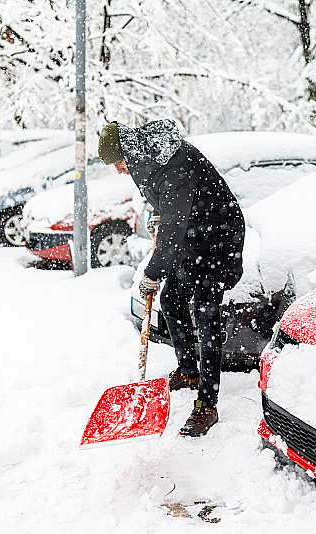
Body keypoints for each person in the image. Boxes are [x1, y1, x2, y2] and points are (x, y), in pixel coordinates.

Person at [98, 119, 245, 437]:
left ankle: (207, 405)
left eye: (119, 163)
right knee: (172, 300)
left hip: (218, 238)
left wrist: (153, 272)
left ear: (129, 152)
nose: (120, 171)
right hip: (195, 235)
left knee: (206, 315)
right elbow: (171, 207)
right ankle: (190, 370)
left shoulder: (172, 161)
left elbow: (175, 227)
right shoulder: (149, 159)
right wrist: (159, 216)